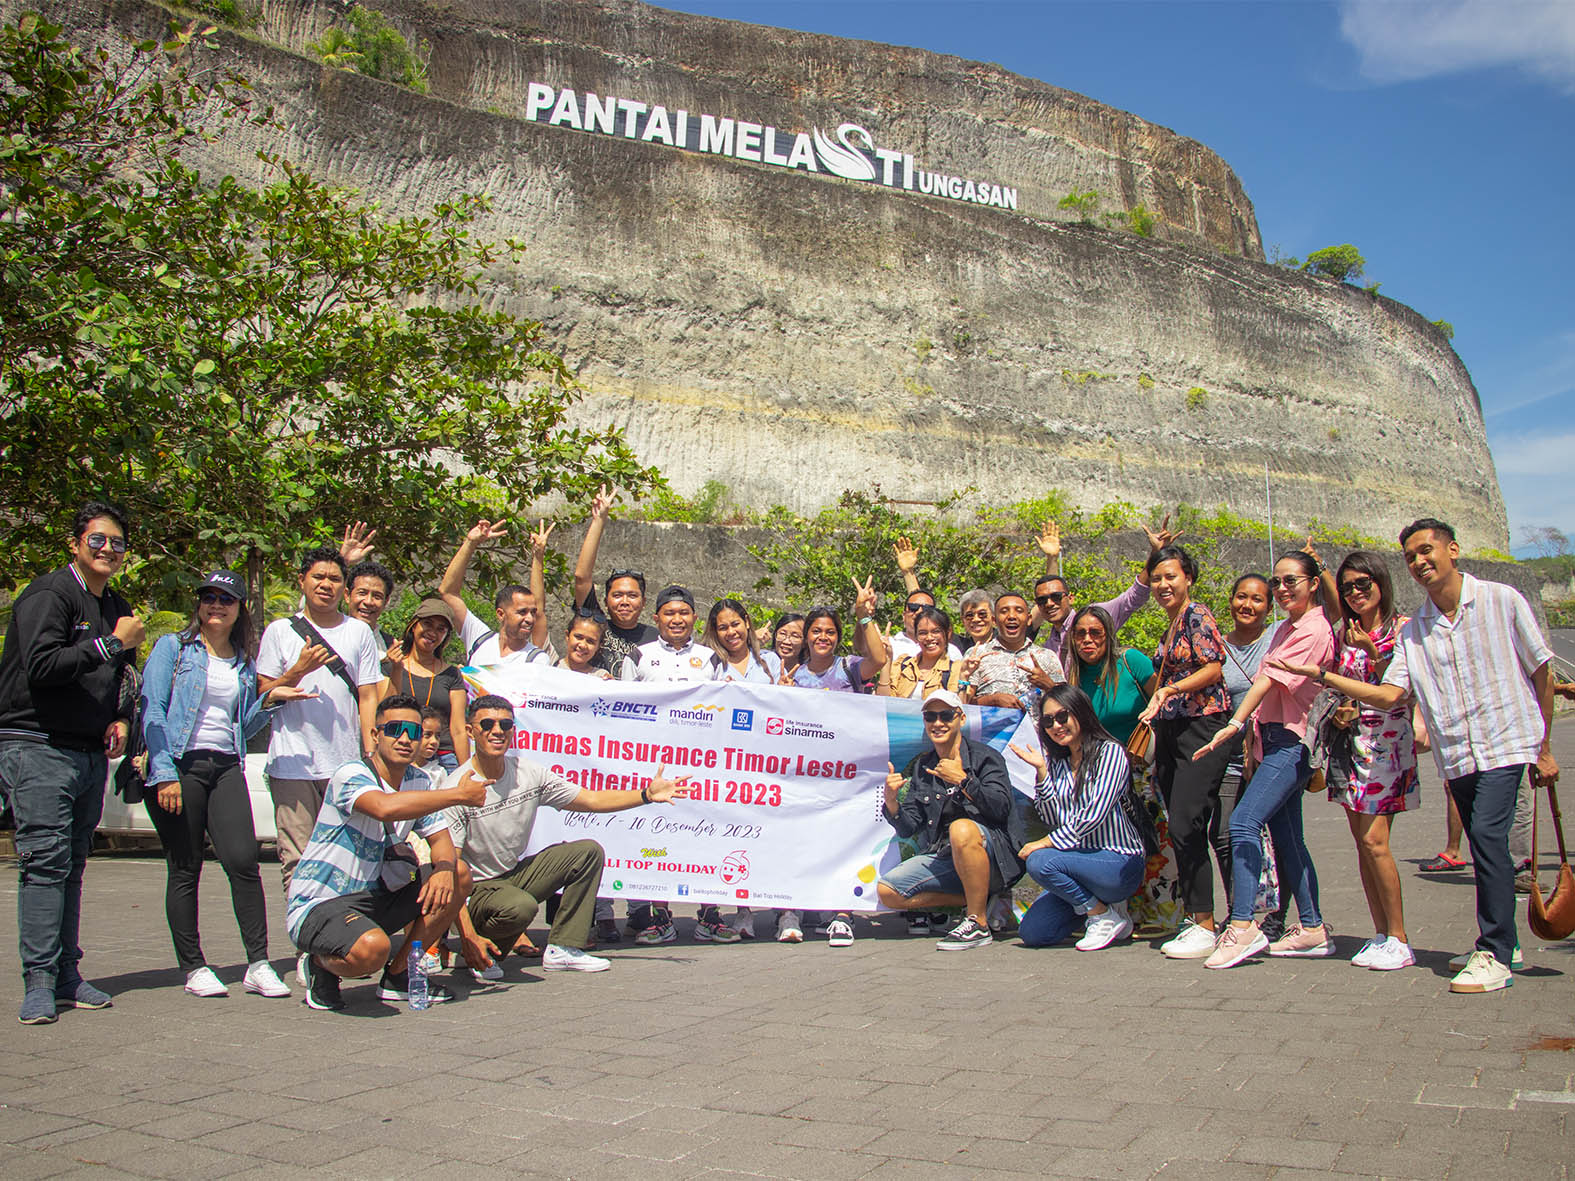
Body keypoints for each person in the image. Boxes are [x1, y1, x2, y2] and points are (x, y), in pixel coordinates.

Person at [1272, 518, 1558, 995]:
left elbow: (1542, 669)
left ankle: (1494, 950)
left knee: (1486, 838)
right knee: (1471, 840)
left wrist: (1544, 746)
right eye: (1411, 556)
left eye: (1427, 551)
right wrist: (1330, 683)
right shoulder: (1419, 628)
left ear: (1453, 549)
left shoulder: (1501, 600)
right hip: (1454, 751)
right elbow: (1388, 692)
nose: (1420, 562)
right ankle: (1495, 943)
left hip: (1501, 741)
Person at [140, 571, 314, 999]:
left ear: (239, 610)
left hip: (225, 766)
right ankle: (194, 966)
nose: (216, 605)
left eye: (227, 599)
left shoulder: (241, 661)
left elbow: (244, 724)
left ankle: (258, 963)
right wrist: (164, 773)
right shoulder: (174, 649)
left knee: (243, 861)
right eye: (209, 597)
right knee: (185, 867)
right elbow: (153, 712)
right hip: (182, 765)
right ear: (198, 604)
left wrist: (272, 699)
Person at [0, 501, 142, 1024]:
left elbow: (124, 677)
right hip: (36, 743)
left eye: (118, 543)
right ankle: (37, 981)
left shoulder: (115, 605)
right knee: (44, 864)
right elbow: (41, 665)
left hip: (87, 752)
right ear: (75, 543)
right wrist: (109, 645)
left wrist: (122, 719)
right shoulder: (49, 593)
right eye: (98, 540)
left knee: (73, 865)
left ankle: (66, 974)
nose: (108, 550)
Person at [445, 696, 695, 975]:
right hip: (476, 892)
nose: (497, 731)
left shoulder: (527, 773)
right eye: (487, 724)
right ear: (470, 731)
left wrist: (646, 795)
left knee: (587, 852)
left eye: (505, 724)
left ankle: (563, 947)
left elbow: (590, 800)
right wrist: (466, 936)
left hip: (512, 876)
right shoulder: (456, 787)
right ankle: (482, 953)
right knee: (521, 907)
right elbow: (449, 871)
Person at [286, 694, 482, 1011]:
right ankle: (320, 966)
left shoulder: (419, 780)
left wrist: (444, 869)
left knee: (457, 873)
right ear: (376, 735)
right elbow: (383, 807)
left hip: (380, 895)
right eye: (395, 729)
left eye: (414, 732)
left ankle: (400, 974)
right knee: (371, 951)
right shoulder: (351, 774)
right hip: (323, 902)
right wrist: (457, 794)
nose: (405, 739)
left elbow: (441, 840)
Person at [1193, 550, 1336, 969]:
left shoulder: (1313, 630)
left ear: (1312, 584)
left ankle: (1242, 925)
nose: (1283, 588)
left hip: (1293, 741)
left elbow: (1269, 679)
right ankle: (1311, 928)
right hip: (1271, 740)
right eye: (1279, 581)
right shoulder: (1285, 630)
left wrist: (1234, 724)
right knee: (1289, 838)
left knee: (1243, 822)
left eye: (1292, 580)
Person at [256, 547, 382, 907]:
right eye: (318, 577)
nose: (326, 584)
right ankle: (307, 949)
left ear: (345, 588)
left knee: (345, 856)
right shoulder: (280, 631)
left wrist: (369, 751)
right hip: (292, 762)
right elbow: (263, 694)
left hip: (344, 764)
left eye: (334, 579)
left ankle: (339, 943)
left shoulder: (358, 632)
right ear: (302, 581)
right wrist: (297, 671)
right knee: (296, 859)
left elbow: (369, 695)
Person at [1134, 544, 1231, 959]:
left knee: (1189, 823)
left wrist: (1171, 689)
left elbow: (1213, 667)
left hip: (1201, 726)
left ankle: (1206, 921)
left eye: (1170, 576)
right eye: (1156, 578)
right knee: (1180, 824)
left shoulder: (1197, 615)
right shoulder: (1171, 623)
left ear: (1188, 578)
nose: (1162, 584)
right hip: (1173, 729)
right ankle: (1199, 918)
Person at [1322, 551, 1419, 970]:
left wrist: (1373, 653)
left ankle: (1399, 937)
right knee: (1362, 844)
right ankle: (1380, 933)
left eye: (1364, 583)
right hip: (1351, 744)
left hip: (1387, 746)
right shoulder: (1346, 631)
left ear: (1381, 582)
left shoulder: (1403, 630)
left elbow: (1398, 690)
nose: (1356, 593)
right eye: (1348, 588)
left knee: (1377, 842)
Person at [630, 585, 741, 943]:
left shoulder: (712, 658)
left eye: (684, 613)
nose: (677, 619)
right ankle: (661, 917)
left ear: (694, 618)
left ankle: (710, 915)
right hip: (654, 766)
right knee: (655, 841)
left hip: (702, 767)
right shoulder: (638, 655)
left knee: (705, 840)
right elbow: (622, 709)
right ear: (656, 618)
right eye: (669, 613)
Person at [779, 583, 887, 945]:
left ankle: (842, 914)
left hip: (847, 778)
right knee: (799, 843)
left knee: (845, 844)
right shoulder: (791, 676)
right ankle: (790, 912)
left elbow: (879, 659)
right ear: (806, 636)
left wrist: (864, 616)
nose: (822, 637)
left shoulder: (850, 668)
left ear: (838, 637)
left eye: (830, 632)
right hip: (803, 778)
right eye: (816, 631)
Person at [877, 689, 1025, 950]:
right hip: (946, 856)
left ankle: (978, 924)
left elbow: (1002, 808)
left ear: (961, 719)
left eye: (946, 715)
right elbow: (909, 826)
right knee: (888, 893)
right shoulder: (924, 767)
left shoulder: (986, 758)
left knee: (961, 829)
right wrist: (891, 802)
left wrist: (964, 780)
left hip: (995, 856)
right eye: (930, 717)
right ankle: (976, 900)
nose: (937, 723)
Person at [1009, 685, 1146, 951]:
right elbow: (1052, 817)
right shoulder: (1058, 762)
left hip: (1118, 861)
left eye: (1062, 716)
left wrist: (1045, 843)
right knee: (1033, 933)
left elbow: (1092, 816)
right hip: (1077, 864)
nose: (1056, 726)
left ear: (1080, 713)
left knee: (1039, 861)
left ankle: (1100, 915)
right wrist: (1041, 772)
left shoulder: (1110, 753)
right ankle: (1107, 912)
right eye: (1048, 721)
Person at [1217, 574, 1282, 934]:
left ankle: (1278, 915)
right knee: (1226, 832)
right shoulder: (1219, 646)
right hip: (1230, 754)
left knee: (1280, 834)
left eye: (1257, 600)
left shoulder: (1277, 637)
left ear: (1269, 607)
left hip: (1271, 750)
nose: (1248, 605)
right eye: (1241, 597)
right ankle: (1238, 911)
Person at [1031, 517, 1175, 659]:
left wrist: (1156, 553)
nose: (1049, 603)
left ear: (1071, 598)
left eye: (1056, 597)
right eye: (1042, 601)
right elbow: (1048, 589)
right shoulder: (1049, 645)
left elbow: (1133, 597)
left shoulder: (1096, 617)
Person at [439, 519, 556, 667]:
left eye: (532, 612)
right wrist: (470, 543)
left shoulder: (536, 659)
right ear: (501, 614)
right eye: (522, 612)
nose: (530, 619)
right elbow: (448, 593)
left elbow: (540, 610)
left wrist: (538, 556)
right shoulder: (479, 640)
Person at [572, 486, 658, 676]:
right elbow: (581, 577)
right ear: (605, 601)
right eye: (617, 595)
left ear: (643, 602)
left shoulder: (656, 638)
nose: (625, 602)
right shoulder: (596, 625)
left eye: (632, 596)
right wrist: (599, 520)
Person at [380, 598, 468, 774]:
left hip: (443, 757)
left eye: (440, 629)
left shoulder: (451, 674)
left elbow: (458, 729)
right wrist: (397, 670)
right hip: (402, 750)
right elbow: (385, 712)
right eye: (427, 624)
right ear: (414, 626)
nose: (432, 632)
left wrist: (466, 771)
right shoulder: (389, 665)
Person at [960, 592, 1065, 713]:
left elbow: (1066, 704)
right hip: (993, 731)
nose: (1011, 616)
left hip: (1038, 731)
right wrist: (992, 700)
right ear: (994, 620)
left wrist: (1048, 684)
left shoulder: (1047, 656)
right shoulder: (976, 655)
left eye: (1019, 611)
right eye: (1004, 611)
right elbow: (963, 705)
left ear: (1029, 619)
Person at [888, 538, 964, 662]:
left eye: (927, 610)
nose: (919, 612)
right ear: (903, 615)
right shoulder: (890, 645)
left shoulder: (950, 650)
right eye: (912, 608)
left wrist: (909, 573)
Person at [880, 606, 965, 699]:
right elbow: (883, 701)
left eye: (936, 631)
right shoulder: (902, 665)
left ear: (948, 633)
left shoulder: (955, 669)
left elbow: (957, 708)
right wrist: (887, 660)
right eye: (923, 633)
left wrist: (964, 679)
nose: (929, 638)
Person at [703, 598, 781, 684]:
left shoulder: (769, 659)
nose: (731, 632)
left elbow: (785, 694)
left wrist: (785, 687)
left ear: (746, 622)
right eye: (723, 628)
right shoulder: (710, 665)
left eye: (735, 624)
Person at [555, 610, 634, 680]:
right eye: (578, 637)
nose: (583, 645)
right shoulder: (551, 666)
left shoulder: (600, 677)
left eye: (590, 641)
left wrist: (610, 689)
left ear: (599, 645)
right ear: (567, 636)